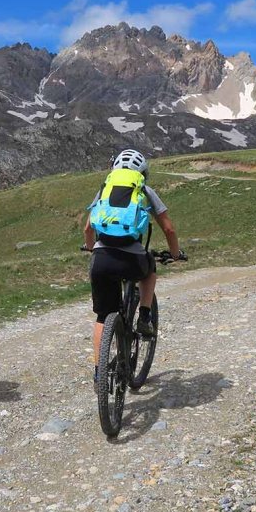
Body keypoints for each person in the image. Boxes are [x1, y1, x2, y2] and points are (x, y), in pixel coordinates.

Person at [81, 149, 184, 369]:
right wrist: (175, 254)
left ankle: (100, 372)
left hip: (101, 259)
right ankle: (145, 315)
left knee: (102, 317)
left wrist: (91, 249)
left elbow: (88, 228)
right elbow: (169, 229)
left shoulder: (104, 189)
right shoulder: (145, 190)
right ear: (143, 172)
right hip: (132, 259)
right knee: (150, 269)